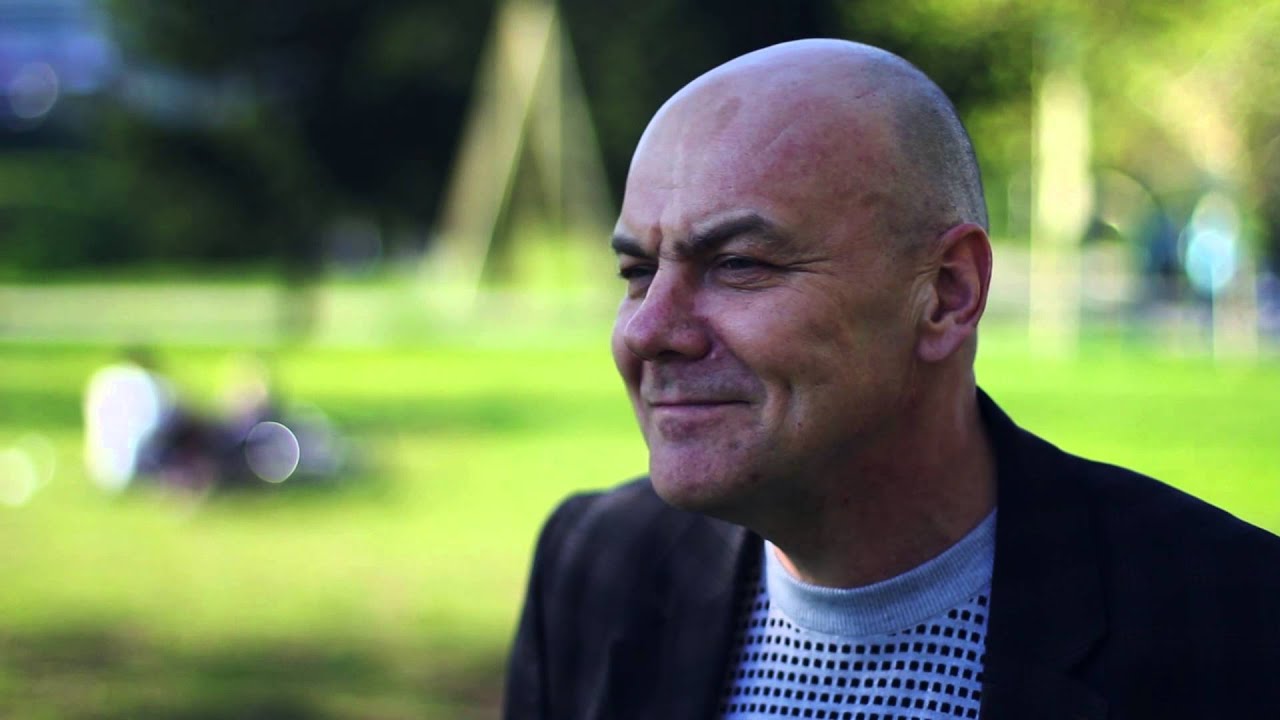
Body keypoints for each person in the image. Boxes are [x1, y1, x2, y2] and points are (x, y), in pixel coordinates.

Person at [503, 39, 1280, 719]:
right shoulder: (595, 567)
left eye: (737, 264)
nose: (647, 331)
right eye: (638, 272)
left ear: (946, 293)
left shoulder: (1232, 622)